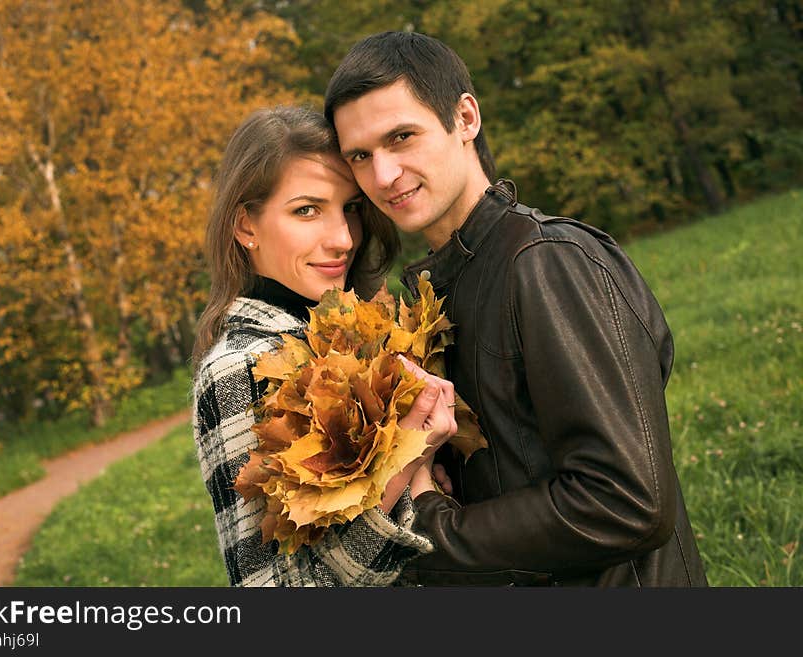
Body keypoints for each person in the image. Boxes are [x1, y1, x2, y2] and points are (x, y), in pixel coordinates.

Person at [324, 31, 708, 586]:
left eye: (402, 137)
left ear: (465, 118)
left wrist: (430, 529)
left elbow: (628, 501)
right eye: (361, 155)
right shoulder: (441, 289)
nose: (383, 175)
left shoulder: (547, 264)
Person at [191, 106, 457, 587]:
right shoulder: (237, 367)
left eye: (351, 208)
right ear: (246, 226)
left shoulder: (362, 335)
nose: (342, 239)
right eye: (306, 210)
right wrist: (410, 458)